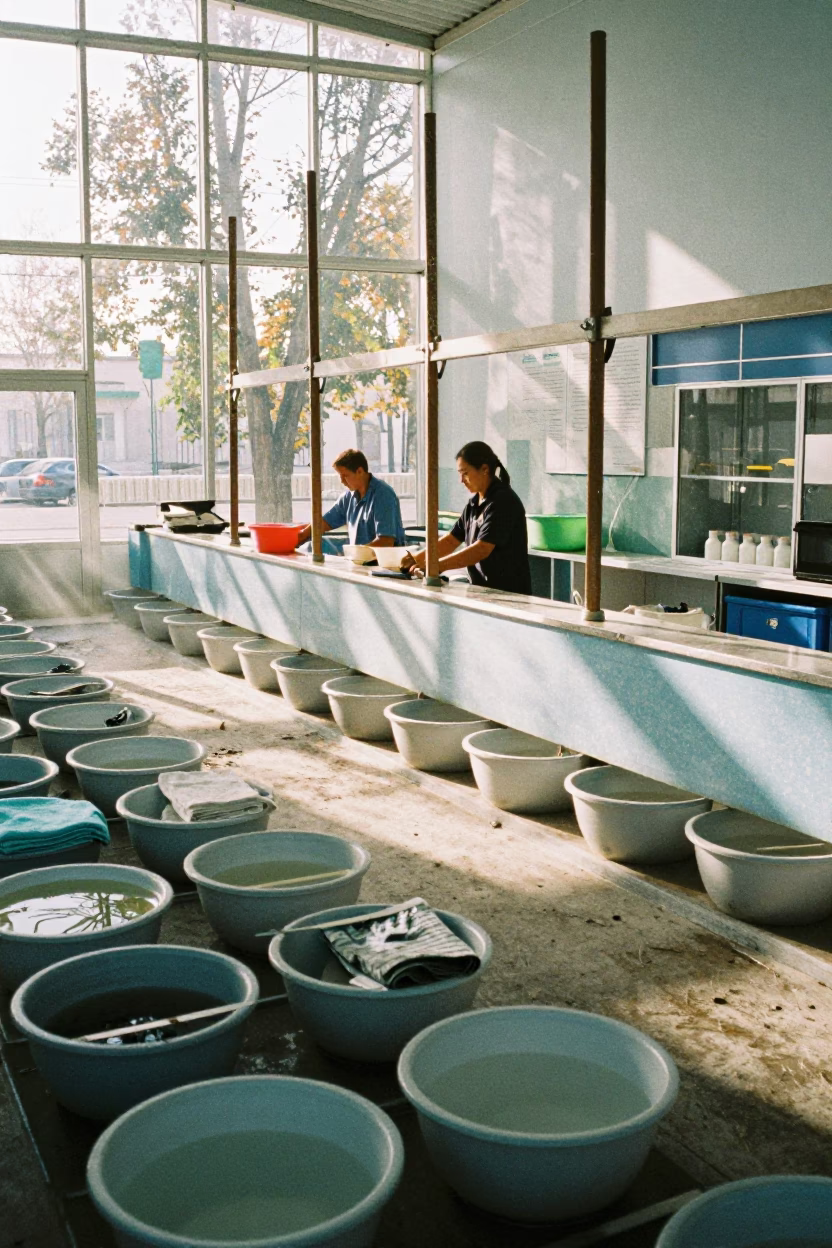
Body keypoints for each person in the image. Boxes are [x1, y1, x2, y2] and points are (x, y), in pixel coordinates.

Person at [403, 441, 531, 594]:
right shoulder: (473, 504)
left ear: (484, 469)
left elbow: (481, 549)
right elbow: (451, 540)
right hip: (483, 590)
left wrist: (435, 566)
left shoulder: (503, 501)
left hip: (509, 593)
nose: (461, 480)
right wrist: (416, 558)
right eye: (460, 474)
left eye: (465, 473)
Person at [295, 448, 406, 552]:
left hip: (385, 562)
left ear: (360, 471)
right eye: (340, 476)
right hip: (359, 558)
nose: (342, 481)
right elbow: (325, 522)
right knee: (310, 547)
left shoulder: (383, 495)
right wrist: (302, 535)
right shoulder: (348, 497)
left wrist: (355, 554)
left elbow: (386, 542)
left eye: (345, 475)